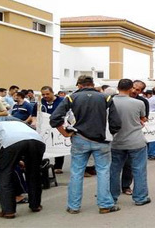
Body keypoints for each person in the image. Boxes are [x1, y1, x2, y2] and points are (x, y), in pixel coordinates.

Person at [50, 75, 121, 214]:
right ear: (92, 84)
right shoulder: (106, 98)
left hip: (79, 138)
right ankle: (105, 204)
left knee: (76, 173)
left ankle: (73, 206)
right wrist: (111, 133)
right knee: (103, 172)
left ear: (79, 85)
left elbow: (54, 118)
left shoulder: (71, 98)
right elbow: (116, 123)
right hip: (101, 140)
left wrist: (64, 132)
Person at [0, 120, 45, 219]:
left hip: (10, 143)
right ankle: (35, 205)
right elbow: (23, 143)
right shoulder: (15, 124)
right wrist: (17, 160)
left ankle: (8, 211)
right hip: (38, 141)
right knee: (34, 174)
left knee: (6, 176)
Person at [110, 79, 151, 206]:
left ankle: (111, 197)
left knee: (114, 170)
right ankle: (140, 197)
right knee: (139, 170)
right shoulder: (139, 103)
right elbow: (143, 119)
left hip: (115, 141)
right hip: (136, 141)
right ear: (130, 88)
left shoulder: (108, 102)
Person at [121, 80, 149, 195]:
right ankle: (109, 188)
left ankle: (126, 186)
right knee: (113, 165)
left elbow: (145, 118)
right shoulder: (118, 98)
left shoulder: (142, 102)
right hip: (115, 136)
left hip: (133, 137)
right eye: (133, 87)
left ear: (141, 91)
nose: (134, 91)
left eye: (137, 89)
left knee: (129, 164)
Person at [31, 86, 65, 174]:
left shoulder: (62, 101)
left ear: (53, 93)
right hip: (44, 127)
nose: (45, 96)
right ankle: (43, 164)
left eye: (47, 94)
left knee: (58, 145)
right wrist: (34, 122)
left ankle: (58, 166)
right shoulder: (40, 102)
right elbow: (34, 114)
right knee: (43, 145)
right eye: (43, 94)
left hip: (58, 126)